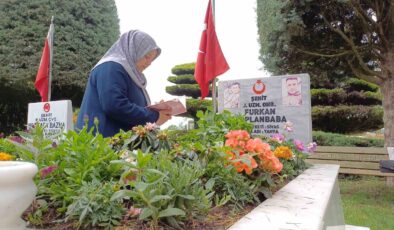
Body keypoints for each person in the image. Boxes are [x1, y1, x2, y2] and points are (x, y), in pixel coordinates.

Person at [76, 30, 171, 137]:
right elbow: (114, 105)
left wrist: (154, 109)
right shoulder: (111, 67)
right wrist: (153, 116)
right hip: (101, 144)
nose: (149, 63)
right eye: (147, 56)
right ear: (133, 49)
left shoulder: (130, 74)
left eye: (152, 60)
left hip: (115, 143)